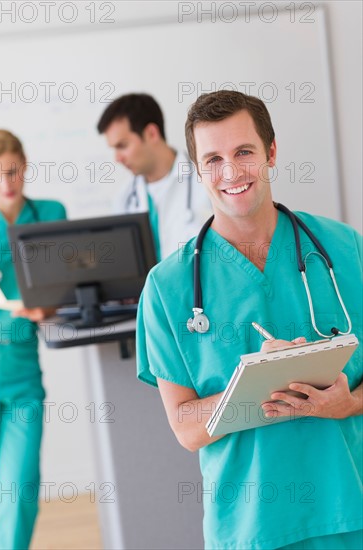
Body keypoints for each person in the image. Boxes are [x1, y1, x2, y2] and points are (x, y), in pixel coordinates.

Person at [136, 91, 363, 549]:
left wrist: (350, 403)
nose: (231, 172)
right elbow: (185, 428)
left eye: (244, 152)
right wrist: (255, 381)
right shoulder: (168, 288)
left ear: (271, 153)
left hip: (350, 509)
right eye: (213, 159)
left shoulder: (344, 249)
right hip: (250, 528)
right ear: (198, 170)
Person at [0, 129, 67, 550]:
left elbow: (70, 283)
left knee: (18, 491)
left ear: (25, 166)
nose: (6, 184)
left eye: (13, 172)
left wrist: (48, 308)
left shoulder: (50, 214)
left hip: (22, 379)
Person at [97, 93, 211, 260]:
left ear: (151, 133)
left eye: (122, 145)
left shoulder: (207, 180)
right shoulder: (124, 198)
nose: (117, 158)